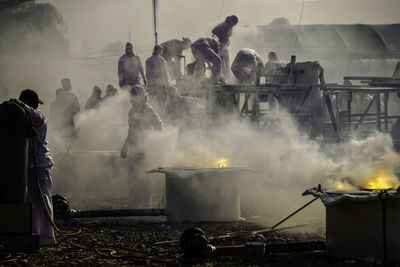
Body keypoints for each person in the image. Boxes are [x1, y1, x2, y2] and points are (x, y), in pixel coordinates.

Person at [18, 89, 56, 246]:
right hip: (30, 165)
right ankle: (35, 233)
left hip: (40, 165)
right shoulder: (23, 120)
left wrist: (19, 104)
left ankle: (48, 235)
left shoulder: (39, 118)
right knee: (31, 200)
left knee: (43, 199)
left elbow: (27, 110)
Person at [120, 85, 163, 208]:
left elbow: (159, 126)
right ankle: (134, 205)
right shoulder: (132, 110)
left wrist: (154, 142)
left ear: (141, 96)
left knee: (144, 177)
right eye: (132, 95)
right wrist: (125, 145)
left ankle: (145, 206)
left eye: (135, 95)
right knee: (133, 177)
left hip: (145, 149)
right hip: (134, 148)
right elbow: (131, 130)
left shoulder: (148, 110)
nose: (132, 98)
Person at [146, 45, 170, 112]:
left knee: (153, 101)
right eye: (160, 50)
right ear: (159, 51)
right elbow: (165, 72)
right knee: (162, 101)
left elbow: (147, 73)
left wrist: (148, 82)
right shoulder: (161, 60)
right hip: (160, 84)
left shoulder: (148, 60)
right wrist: (167, 83)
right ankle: (161, 114)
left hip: (152, 84)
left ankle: (154, 113)